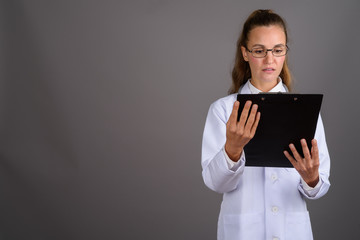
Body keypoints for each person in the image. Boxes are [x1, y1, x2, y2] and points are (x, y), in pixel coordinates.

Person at [201, 9, 330, 240]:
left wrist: (312, 179)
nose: (269, 60)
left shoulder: (305, 112)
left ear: (285, 53)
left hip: (293, 232)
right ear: (245, 53)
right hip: (241, 233)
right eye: (259, 51)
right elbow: (215, 183)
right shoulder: (223, 110)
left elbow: (319, 186)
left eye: (278, 50)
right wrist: (232, 150)